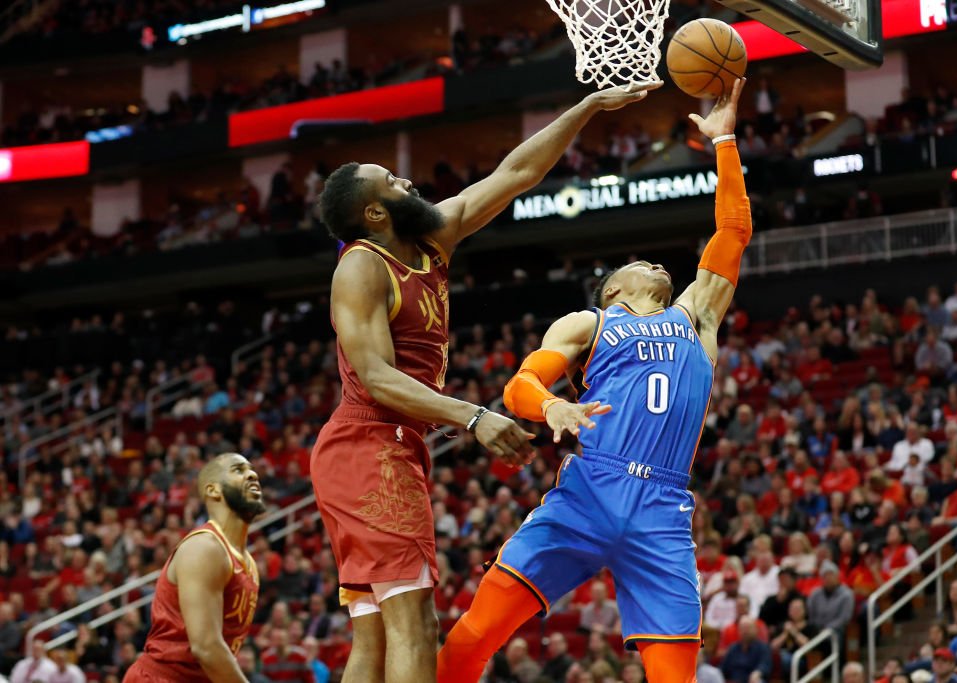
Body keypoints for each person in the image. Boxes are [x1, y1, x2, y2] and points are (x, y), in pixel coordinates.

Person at [313, 79, 660, 683]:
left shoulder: (428, 241)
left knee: (373, 635)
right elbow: (373, 376)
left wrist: (583, 108)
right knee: (415, 623)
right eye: (393, 183)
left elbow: (516, 172)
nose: (409, 183)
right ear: (374, 213)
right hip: (370, 445)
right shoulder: (363, 265)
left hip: (388, 446)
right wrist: (471, 416)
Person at [437, 78, 751, 683]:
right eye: (640, 264)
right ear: (613, 287)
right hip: (590, 490)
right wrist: (552, 408)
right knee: (474, 635)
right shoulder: (591, 321)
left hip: (663, 504)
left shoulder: (697, 315)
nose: (658, 264)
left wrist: (725, 141)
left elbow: (733, 232)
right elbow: (520, 384)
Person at [124, 453, 266, 682]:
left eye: (251, 469)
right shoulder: (205, 547)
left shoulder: (248, 563)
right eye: (238, 470)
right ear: (213, 490)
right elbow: (206, 647)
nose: (253, 474)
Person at [720, 617, 772, 683]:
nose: (745, 631)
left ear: (756, 630)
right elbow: (723, 668)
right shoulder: (733, 648)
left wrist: (757, 673)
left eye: (748, 628)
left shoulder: (763, 647)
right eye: (742, 628)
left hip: (752, 680)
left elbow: (765, 665)